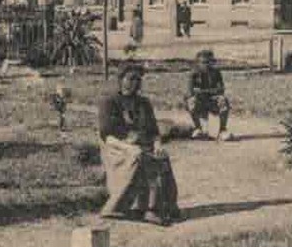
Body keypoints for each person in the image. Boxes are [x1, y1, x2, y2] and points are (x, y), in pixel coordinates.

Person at [97, 62, 182, 225]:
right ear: (121, 79)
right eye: (130, 78)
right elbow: (107, 136)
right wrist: (129, 147)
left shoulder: (144, 103)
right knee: (140, 157)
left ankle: (161, 207)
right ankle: (119, 207)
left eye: (137, 79)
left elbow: (154, 132)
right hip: (117, 148)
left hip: (142, 145)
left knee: (161, 157)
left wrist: (158, 145)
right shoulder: (109, 102)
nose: (134, 83)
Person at [184, 49, 233, 140]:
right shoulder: (193, 74)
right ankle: (198, 128)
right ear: (198, 63)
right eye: (203, 62)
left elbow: (221, 89)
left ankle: (222, 130)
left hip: (212, 100)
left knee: (223, 100)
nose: (206, 65)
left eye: (209, 62)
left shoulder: (216, 72)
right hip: (200, 101)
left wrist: (203, 91)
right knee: (191, 101)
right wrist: (208, 91)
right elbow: (190, 92)